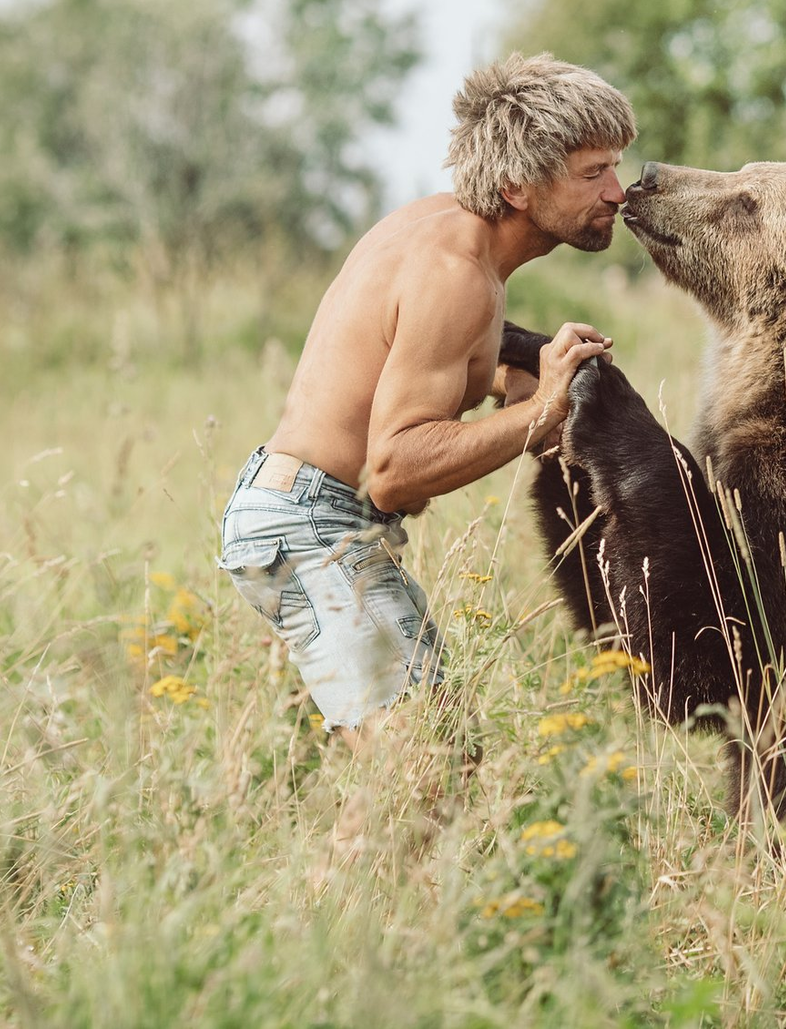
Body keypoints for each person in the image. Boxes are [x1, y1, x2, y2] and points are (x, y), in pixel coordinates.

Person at [217, 53, 633, 743]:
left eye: (616, 166)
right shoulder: (456, 273)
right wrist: (544, 410)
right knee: (422, 776)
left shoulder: (444, 231)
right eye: (595, 172)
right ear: (517, 184)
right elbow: (394, 468)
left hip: (290, 510)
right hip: (312, 526)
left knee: (429, 775)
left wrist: (513, 377)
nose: (619, 191)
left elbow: (422, 362)